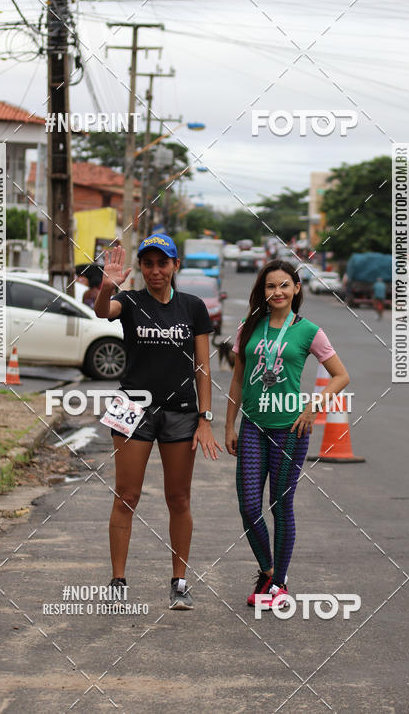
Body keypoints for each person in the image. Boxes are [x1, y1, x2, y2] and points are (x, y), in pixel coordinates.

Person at [94, 234, 222, 610]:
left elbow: (202, 367)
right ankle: (118, 582)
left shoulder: (193, 307)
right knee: (126, 496)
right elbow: (104, 312)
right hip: (131, 408)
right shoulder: (130, 301)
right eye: (147, 263)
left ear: (174, 266)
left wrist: (205, 418)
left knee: (178, 498)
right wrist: (106, 288)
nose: (154, 271)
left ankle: (179, 582)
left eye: (162, 263)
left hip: (181, 412)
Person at [225, 260, 349, 608]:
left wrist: (312, 407)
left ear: (296, 288)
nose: (276, 292)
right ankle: (267, 570)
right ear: (262, 291)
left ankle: (279, 584)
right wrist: (228, 424)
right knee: (249, 506)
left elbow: (341, 376)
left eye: (283, 285)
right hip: (253, 425)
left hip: (290, 430)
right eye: (269, 286)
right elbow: (237, 378)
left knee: (280, 506)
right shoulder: (249, 327)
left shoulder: (309, 330)